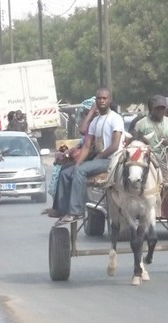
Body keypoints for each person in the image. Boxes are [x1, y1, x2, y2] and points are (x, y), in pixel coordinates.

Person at [55, 88, 124, 225]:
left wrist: (99, 157)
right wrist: (77, 164)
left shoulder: (116, 118)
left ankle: (76, 212)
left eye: (104, 98)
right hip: (100, 159)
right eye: (99, 98)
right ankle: (63, 211)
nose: (102, 101)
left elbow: (115, 145)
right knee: (68, 172)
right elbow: (86, 146)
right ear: (96, 101)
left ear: (109, 100)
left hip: (112, 160)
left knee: (80, 171)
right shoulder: (95, 121)